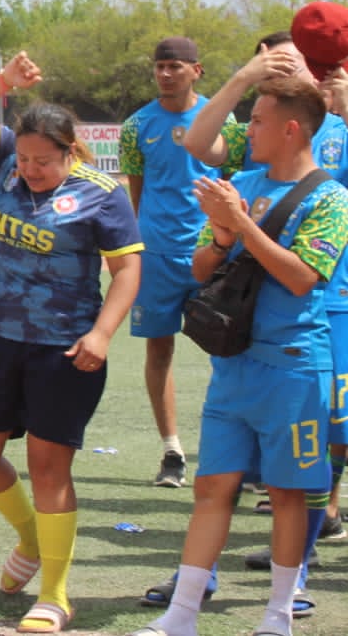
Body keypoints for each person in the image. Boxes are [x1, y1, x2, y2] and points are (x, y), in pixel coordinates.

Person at [133, 75, 348, 636]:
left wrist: (242, 222)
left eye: (256, 120)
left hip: (293, 366)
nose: (246, 130)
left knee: (288, 493)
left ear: (291, 129)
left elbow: (302, 278)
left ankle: (277, 617)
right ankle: (181, 615)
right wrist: (222, 238)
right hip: (234, 365)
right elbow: (201, 268)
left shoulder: (331, 198)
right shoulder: (242, 182)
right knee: (212, 487)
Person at [0, 51, 142, 635]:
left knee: (49, 469)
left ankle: (55, 594)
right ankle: (31, 537)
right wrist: (3, 81)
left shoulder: (102, 194)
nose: (30, 169)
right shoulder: (5, 160)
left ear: (70, 152)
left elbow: (127, 270)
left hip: (66, 349)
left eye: (44, 161)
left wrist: (101, 334)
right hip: (3, 340)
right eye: (26, 159)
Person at [119, 36, 236, 490]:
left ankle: (232, 453)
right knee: (159, 349)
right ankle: (172, 451)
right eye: (160, 66)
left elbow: (233, 183)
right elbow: (137, 191)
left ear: (196, 70)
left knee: (229, 350)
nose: (166, 74)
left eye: (175, 66)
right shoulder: (137, 125)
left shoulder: (221, 120)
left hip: (212, 252)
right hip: (158, 255)